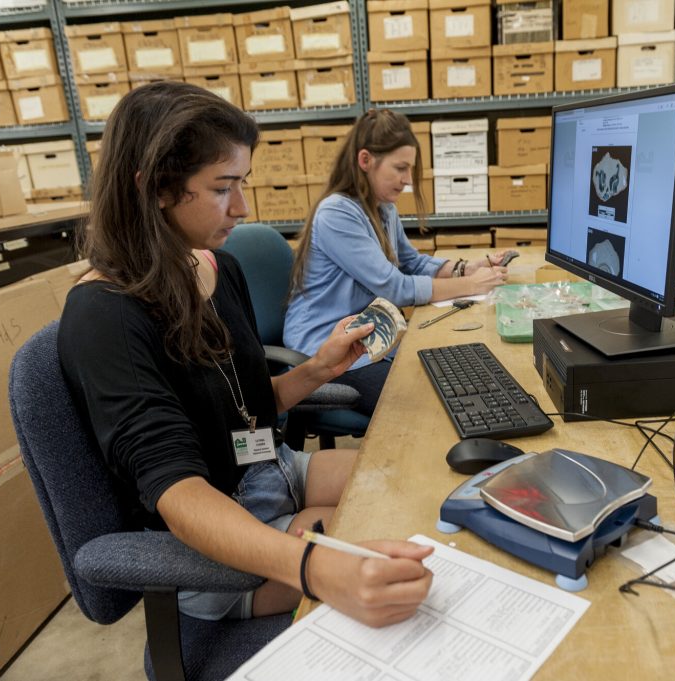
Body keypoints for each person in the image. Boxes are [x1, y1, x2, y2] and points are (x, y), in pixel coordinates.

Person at [58, 82, 433, 628]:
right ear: (156, 189)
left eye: (242, 184)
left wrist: (316, 370)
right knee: (398, 556)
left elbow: (246, 406)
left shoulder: (215, 266)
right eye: (222, 187)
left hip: (264, 469)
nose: (242, 206)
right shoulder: (105, 317)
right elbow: (178, 492)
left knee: (414, 483)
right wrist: (315, 569)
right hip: (212, 545)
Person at [284, 109, 514, 416]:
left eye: (410, 170)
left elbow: (411, 263)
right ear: (365, 161)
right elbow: (395, 288)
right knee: (429, 406)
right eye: (400, 168)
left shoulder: (382, 207)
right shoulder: (336, 214)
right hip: (326, 347)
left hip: (368, 337)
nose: (407, 181)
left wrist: (465, 268)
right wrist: (470, 285)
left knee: (452, 380)